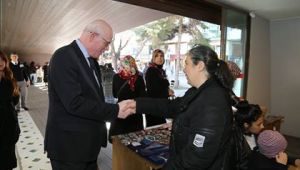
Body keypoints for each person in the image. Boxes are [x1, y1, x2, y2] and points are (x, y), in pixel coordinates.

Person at [44, 19, 133, 170]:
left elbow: (94, 99)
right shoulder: (64, 56)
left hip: (86, 147)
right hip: (69, 149)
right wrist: (115, 110)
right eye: (106, 43)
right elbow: (75, 103)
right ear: (92, 36)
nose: (106, 48)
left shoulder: (91, 62)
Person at [130, 45, 236, 169]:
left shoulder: (214, 102)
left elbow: (196, 157)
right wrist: (137, 104)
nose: (184, 69)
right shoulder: (196, 91)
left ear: (200, 66)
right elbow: (172, 106)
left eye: (186, 64)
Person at [108, 55, 146, 142]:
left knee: (119, 141)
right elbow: (143, 96)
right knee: (135, 141)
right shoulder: (139, 78)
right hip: (134, 112)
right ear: (133, 64)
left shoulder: (116, 77)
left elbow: (115, 95)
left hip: (121, 111)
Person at [0, 50, 20, 169]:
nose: (0, 62)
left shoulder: (9, 78)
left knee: (7, 161)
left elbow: (15, 99)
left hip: (8, 125)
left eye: (2, 59)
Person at [144, 49, 174, 127]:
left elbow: (160, 86)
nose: (160, 58)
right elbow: (152, 91)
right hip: (153, 107)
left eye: (161, 56)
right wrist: (167, 93)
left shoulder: (160, 71)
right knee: (156, 130)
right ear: (153, 58)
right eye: (157, 56)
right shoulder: (151, 70)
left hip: (159, 106)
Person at [232, 100, 264, 169]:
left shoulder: (257, 134)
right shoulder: (236, 142)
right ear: (246, 125)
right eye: (259, 124)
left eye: (262, 123)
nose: (262, 127)